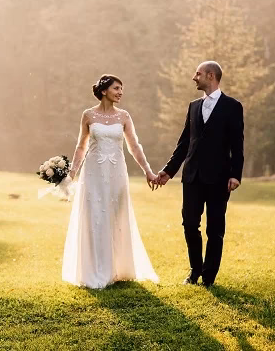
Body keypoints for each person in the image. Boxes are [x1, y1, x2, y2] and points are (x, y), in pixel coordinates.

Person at [62, 74, 160, 288]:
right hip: (93, 174)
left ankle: (118, 268)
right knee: (95, 217)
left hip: (116, 173)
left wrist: (148, 171)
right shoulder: (88, 115)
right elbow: (81, 146)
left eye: (122, 89)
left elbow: (134, 146)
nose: (120, 92)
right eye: (116, 88)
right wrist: (72, 174)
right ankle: (96, 271)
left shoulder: (124, 116)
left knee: (116, 217)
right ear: (104, 90)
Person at [156, 61, 244, 287]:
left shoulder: (233, 106)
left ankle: (209, 276)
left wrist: (236, 174)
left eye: (198, 73)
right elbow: (184, 143)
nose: (194, 77)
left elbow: (238, 144)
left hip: (219, 178)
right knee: (189, 224)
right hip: (192, 177)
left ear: (211, 76)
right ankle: (195, 270)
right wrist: (168, 171)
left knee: (215, 228)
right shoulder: (193, 106)